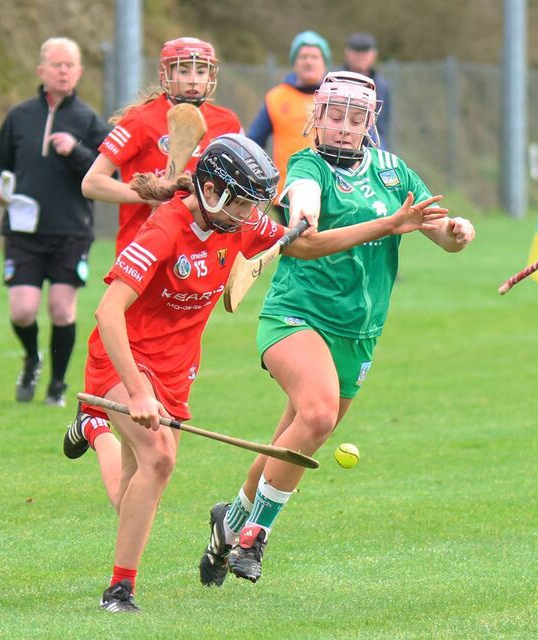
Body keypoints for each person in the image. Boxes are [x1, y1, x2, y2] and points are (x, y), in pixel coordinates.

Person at [62, 133, 447, 612]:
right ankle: (120, 589)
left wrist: (389, 224)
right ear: (212, 192)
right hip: (123, 356)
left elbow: (307, 246)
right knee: (159, 458)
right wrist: (137, 393)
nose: (250, 216)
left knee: (132, 497)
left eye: (253, 206)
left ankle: (95, 427)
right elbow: (107, 312)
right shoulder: (164, 229)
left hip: (177, 366)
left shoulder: (238, 225)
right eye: (242, 204)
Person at [198, 71, 476, 587]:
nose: (344, 128)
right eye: (334, 116)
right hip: (297, 316)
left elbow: (437, 229)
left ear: (371, 122)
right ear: (316, 119)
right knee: (319, 413)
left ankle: (228, 524)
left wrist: (457, 231)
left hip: (359, 333)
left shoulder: (395, 173)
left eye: (356, 118)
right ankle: (256, 537)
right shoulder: (306, 166)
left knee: (293, 440)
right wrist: (374, 223)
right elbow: (306, 230)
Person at [0, 37, 110, 407]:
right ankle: (32, 359)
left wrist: (76, 151)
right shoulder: (19, 116)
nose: (62, 70)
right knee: (22, 310)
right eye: (56, 64)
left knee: (61, 308)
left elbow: (106, 172)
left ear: (79, 72)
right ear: (41, 71)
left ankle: (57, 384)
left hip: (71, 230)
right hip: (23, 230)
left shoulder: (88, 120)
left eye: (69, 65)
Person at [81, 37, 243, 256]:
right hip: (143, 246)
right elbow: (91, 183)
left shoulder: (227, 123)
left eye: (201, 72)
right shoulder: (140, 119)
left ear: (211, 76)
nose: (193, 80)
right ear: (166, 74)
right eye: (184, 71)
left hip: (200, 253)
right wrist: (151, 193)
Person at [247, 30, 330, 202]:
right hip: (286, 191)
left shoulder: (338, 98)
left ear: (324, 63)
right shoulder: (276, 98)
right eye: (303, 56)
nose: (309, 61)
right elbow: (253, 142)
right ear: (294, 62)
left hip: (331, 190)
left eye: (315, 57)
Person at [342, 32, 391, 150]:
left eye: (365, 52)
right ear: (347, 53)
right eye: (356, 51)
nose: (361, 56)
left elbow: (382, 125)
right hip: (341, 136)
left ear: (374, 54)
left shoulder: (382, 85)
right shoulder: (335, 80)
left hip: (373, 141)